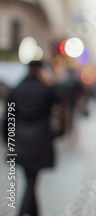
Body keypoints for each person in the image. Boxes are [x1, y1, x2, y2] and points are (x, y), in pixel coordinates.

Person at [5, 60, 60, 216]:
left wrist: (7, 140)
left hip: (20, 139)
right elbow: (60, 106)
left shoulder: (16, 89)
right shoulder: (47, 89)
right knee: (32, 180)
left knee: (30, 178)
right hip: (40, 139)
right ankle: (24, 212)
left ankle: (31, 212)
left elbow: (9, 117)